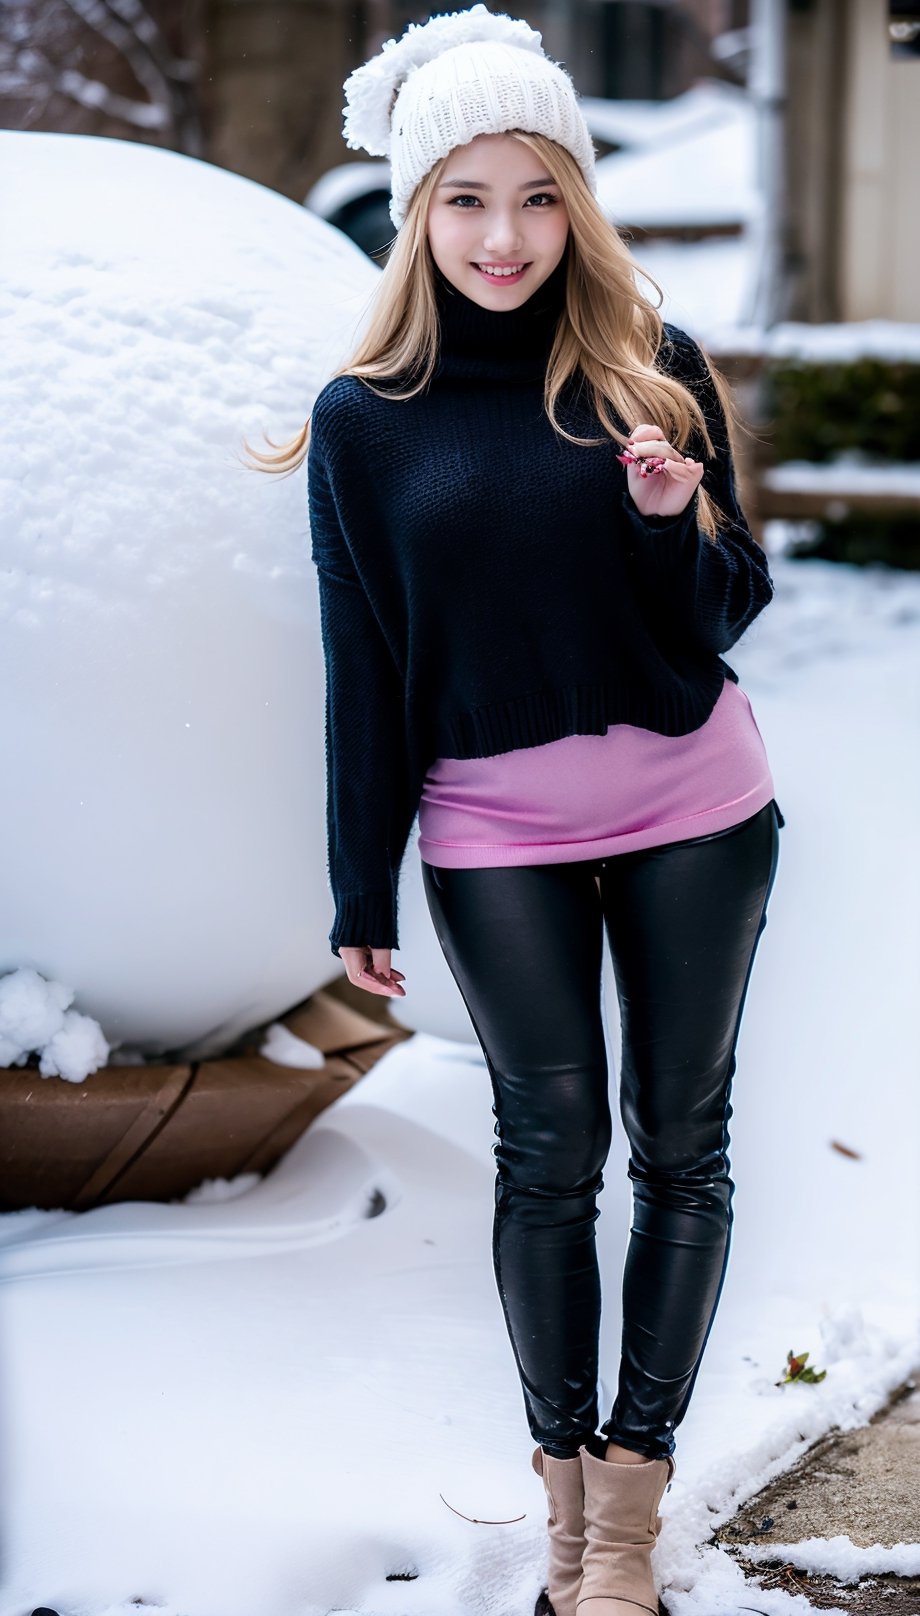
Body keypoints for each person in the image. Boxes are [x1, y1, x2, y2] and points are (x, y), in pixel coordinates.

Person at [246, 7, 784, 1613]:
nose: (504, 235)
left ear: (579, 204)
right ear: (417, 209)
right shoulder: (366, 421)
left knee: (681, 1148)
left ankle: (625, 1518)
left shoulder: (649, 368)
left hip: (699, 807)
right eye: (467, 198)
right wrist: (360, 891)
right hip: (497, 834)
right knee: (549, 1152)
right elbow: (370, 670)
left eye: (539, 195)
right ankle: (566, 1512)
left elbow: (721, 616)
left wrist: (676, 523)